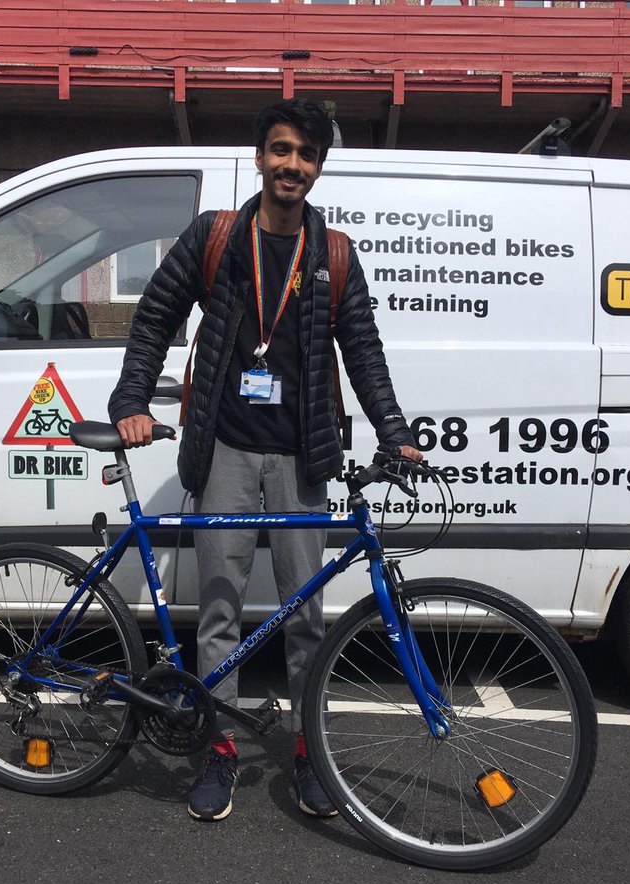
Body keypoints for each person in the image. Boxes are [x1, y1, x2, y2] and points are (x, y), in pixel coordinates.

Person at [108, 98, 421, 822]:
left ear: (319, 167)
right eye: (281, 150)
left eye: (306, 155)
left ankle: (310, 751)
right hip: (224, 446)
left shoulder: (333, 254)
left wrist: (394, 429)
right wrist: (132, 400)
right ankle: (216, 746)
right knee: (219, 607)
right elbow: (155, 313)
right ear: (259, 156)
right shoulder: (217, 237)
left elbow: (364, 351)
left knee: (305, 614)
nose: (292, 165)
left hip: (303, 456)